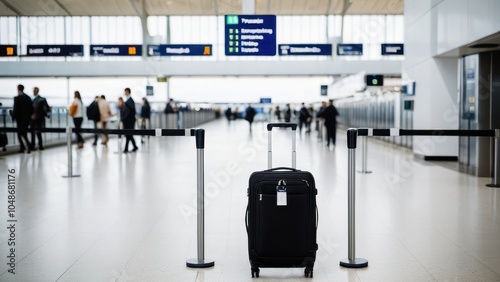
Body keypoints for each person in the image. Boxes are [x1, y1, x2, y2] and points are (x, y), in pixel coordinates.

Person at [12, 84, 33, 153]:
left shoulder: (17, 98)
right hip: (26, 118)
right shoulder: (28, 97)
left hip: (19, 119)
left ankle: (23, 147)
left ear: (18, 89)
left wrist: (13, 116)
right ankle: (27, 145)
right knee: (24, 132)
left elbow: (15, 108)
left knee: (20, 133)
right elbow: (31, 108)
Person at [121, 88, 138, 153]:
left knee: (128, 134)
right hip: (129, 121)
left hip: (129, 121)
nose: (124, 93)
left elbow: (129, 112)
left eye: (125, 91)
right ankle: (132, 147)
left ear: (127, 91)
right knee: (128, 134)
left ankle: (127, 148)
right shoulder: (129, 100)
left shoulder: (130, 101)